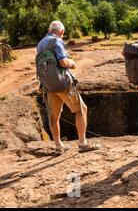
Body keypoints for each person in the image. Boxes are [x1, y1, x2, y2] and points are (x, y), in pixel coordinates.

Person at [36, 21, 100, 154]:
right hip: (65, 84)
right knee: (81, 109)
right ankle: (83, 143)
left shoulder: (40, 43)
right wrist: (73, 63)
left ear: (49, 30)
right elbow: (63, 62)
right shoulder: (57, 41)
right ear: (62, 32)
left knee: (54, 115)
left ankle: (58, 146)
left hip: (49, 86)